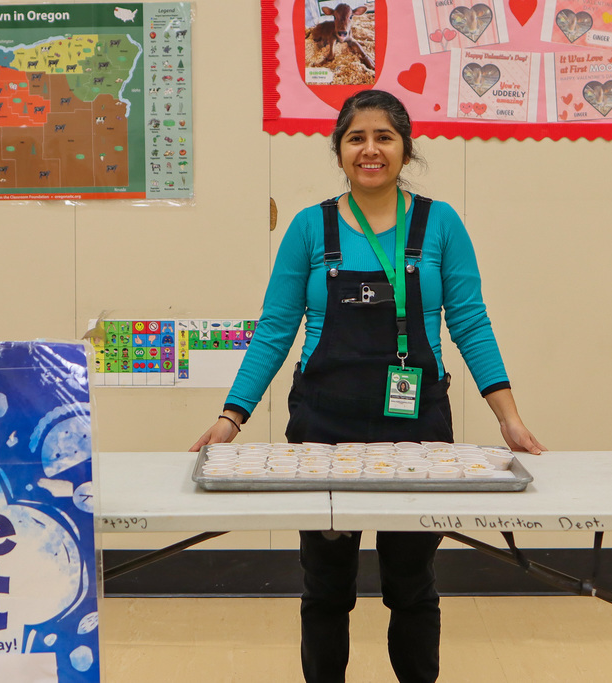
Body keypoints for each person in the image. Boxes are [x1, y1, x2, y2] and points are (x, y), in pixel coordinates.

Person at [191, 89, 544, 683]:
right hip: (323, 428)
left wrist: (508, 416)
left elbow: (471, 322)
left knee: (411, 584)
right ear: (339, 150)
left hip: (417, 429)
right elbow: (276, 329)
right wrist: (232, 418)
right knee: (326, 586)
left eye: (384, 137)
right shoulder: (309, 228)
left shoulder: (440, 224)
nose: (371, 149)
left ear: (405, 149)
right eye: (356, 137)